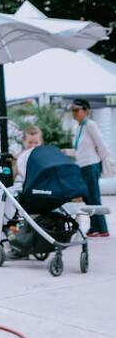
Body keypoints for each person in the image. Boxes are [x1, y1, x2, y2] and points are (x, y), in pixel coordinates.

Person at [0, 126, 43, 258]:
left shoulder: (26, 157)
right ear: (24, 142)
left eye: (36, 143)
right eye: (30, 142)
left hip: (30, 197)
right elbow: (11, 178)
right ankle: (4, 241)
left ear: (41, 142)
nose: (33, 145)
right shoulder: (30, 157)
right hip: (33, 195)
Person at [69, 99, 114, 238]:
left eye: (77, 110)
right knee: (88, 198)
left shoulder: (90, 125)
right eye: (72, 110)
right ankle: (94, 227)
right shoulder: (79, 128)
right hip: (83, 166)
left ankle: (102, 229)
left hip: (91, 166)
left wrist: (106, 161)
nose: (74, 113)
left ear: (86, 110)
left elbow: (102, 145)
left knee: (93, 197)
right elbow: (79, 151)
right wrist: (65, 152)